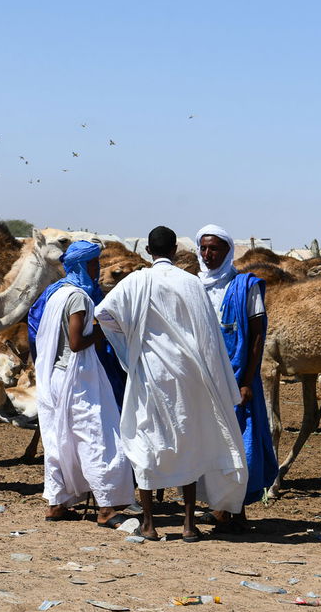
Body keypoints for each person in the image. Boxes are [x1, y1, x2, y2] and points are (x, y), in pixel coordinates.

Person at [93, 226, 246, 541]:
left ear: (149, 251)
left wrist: (131, 341)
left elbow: (104, 314)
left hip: (150, 373)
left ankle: (149, 524)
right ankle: (189, 525)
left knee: (147, 442)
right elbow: (208, 335)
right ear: (175, 250)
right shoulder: (192, 283)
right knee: (186, 441)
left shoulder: (136, 280)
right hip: (187, 374)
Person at [26, 240, 134, 524]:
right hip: (78, 379)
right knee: (96, 438)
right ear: (82, 265)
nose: (97, 269)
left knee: (60, 439)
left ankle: (56, 503)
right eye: (93, 264)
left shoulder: (55, 293)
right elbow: (76, 343)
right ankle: (107, 507)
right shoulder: (78, 298)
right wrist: (107, 330)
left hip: (58, 377)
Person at [196, 224, 278, 530]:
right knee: (210, 443)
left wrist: (246, 380)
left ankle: (236, 509)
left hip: (237, 376)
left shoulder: (246, 286)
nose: (208, 255)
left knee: (240, 444)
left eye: (214, 249)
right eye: (203, 248)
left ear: (227, 251)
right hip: (205, 378)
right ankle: (220, 507)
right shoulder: (194, 285)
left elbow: (257, 336)